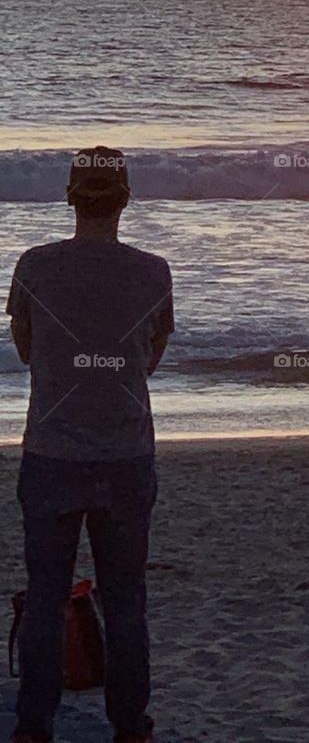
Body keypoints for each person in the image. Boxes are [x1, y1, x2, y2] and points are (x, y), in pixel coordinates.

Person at [6, 147, 173, 743]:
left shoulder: (34, 265)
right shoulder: (153, 271)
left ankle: (34, 726)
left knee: (47, 599)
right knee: (126, 600)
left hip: (52, 452)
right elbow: (149, 359)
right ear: (125, 199)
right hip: (125, 454)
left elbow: (27, 350)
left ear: (69, 197)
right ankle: (131, 727)